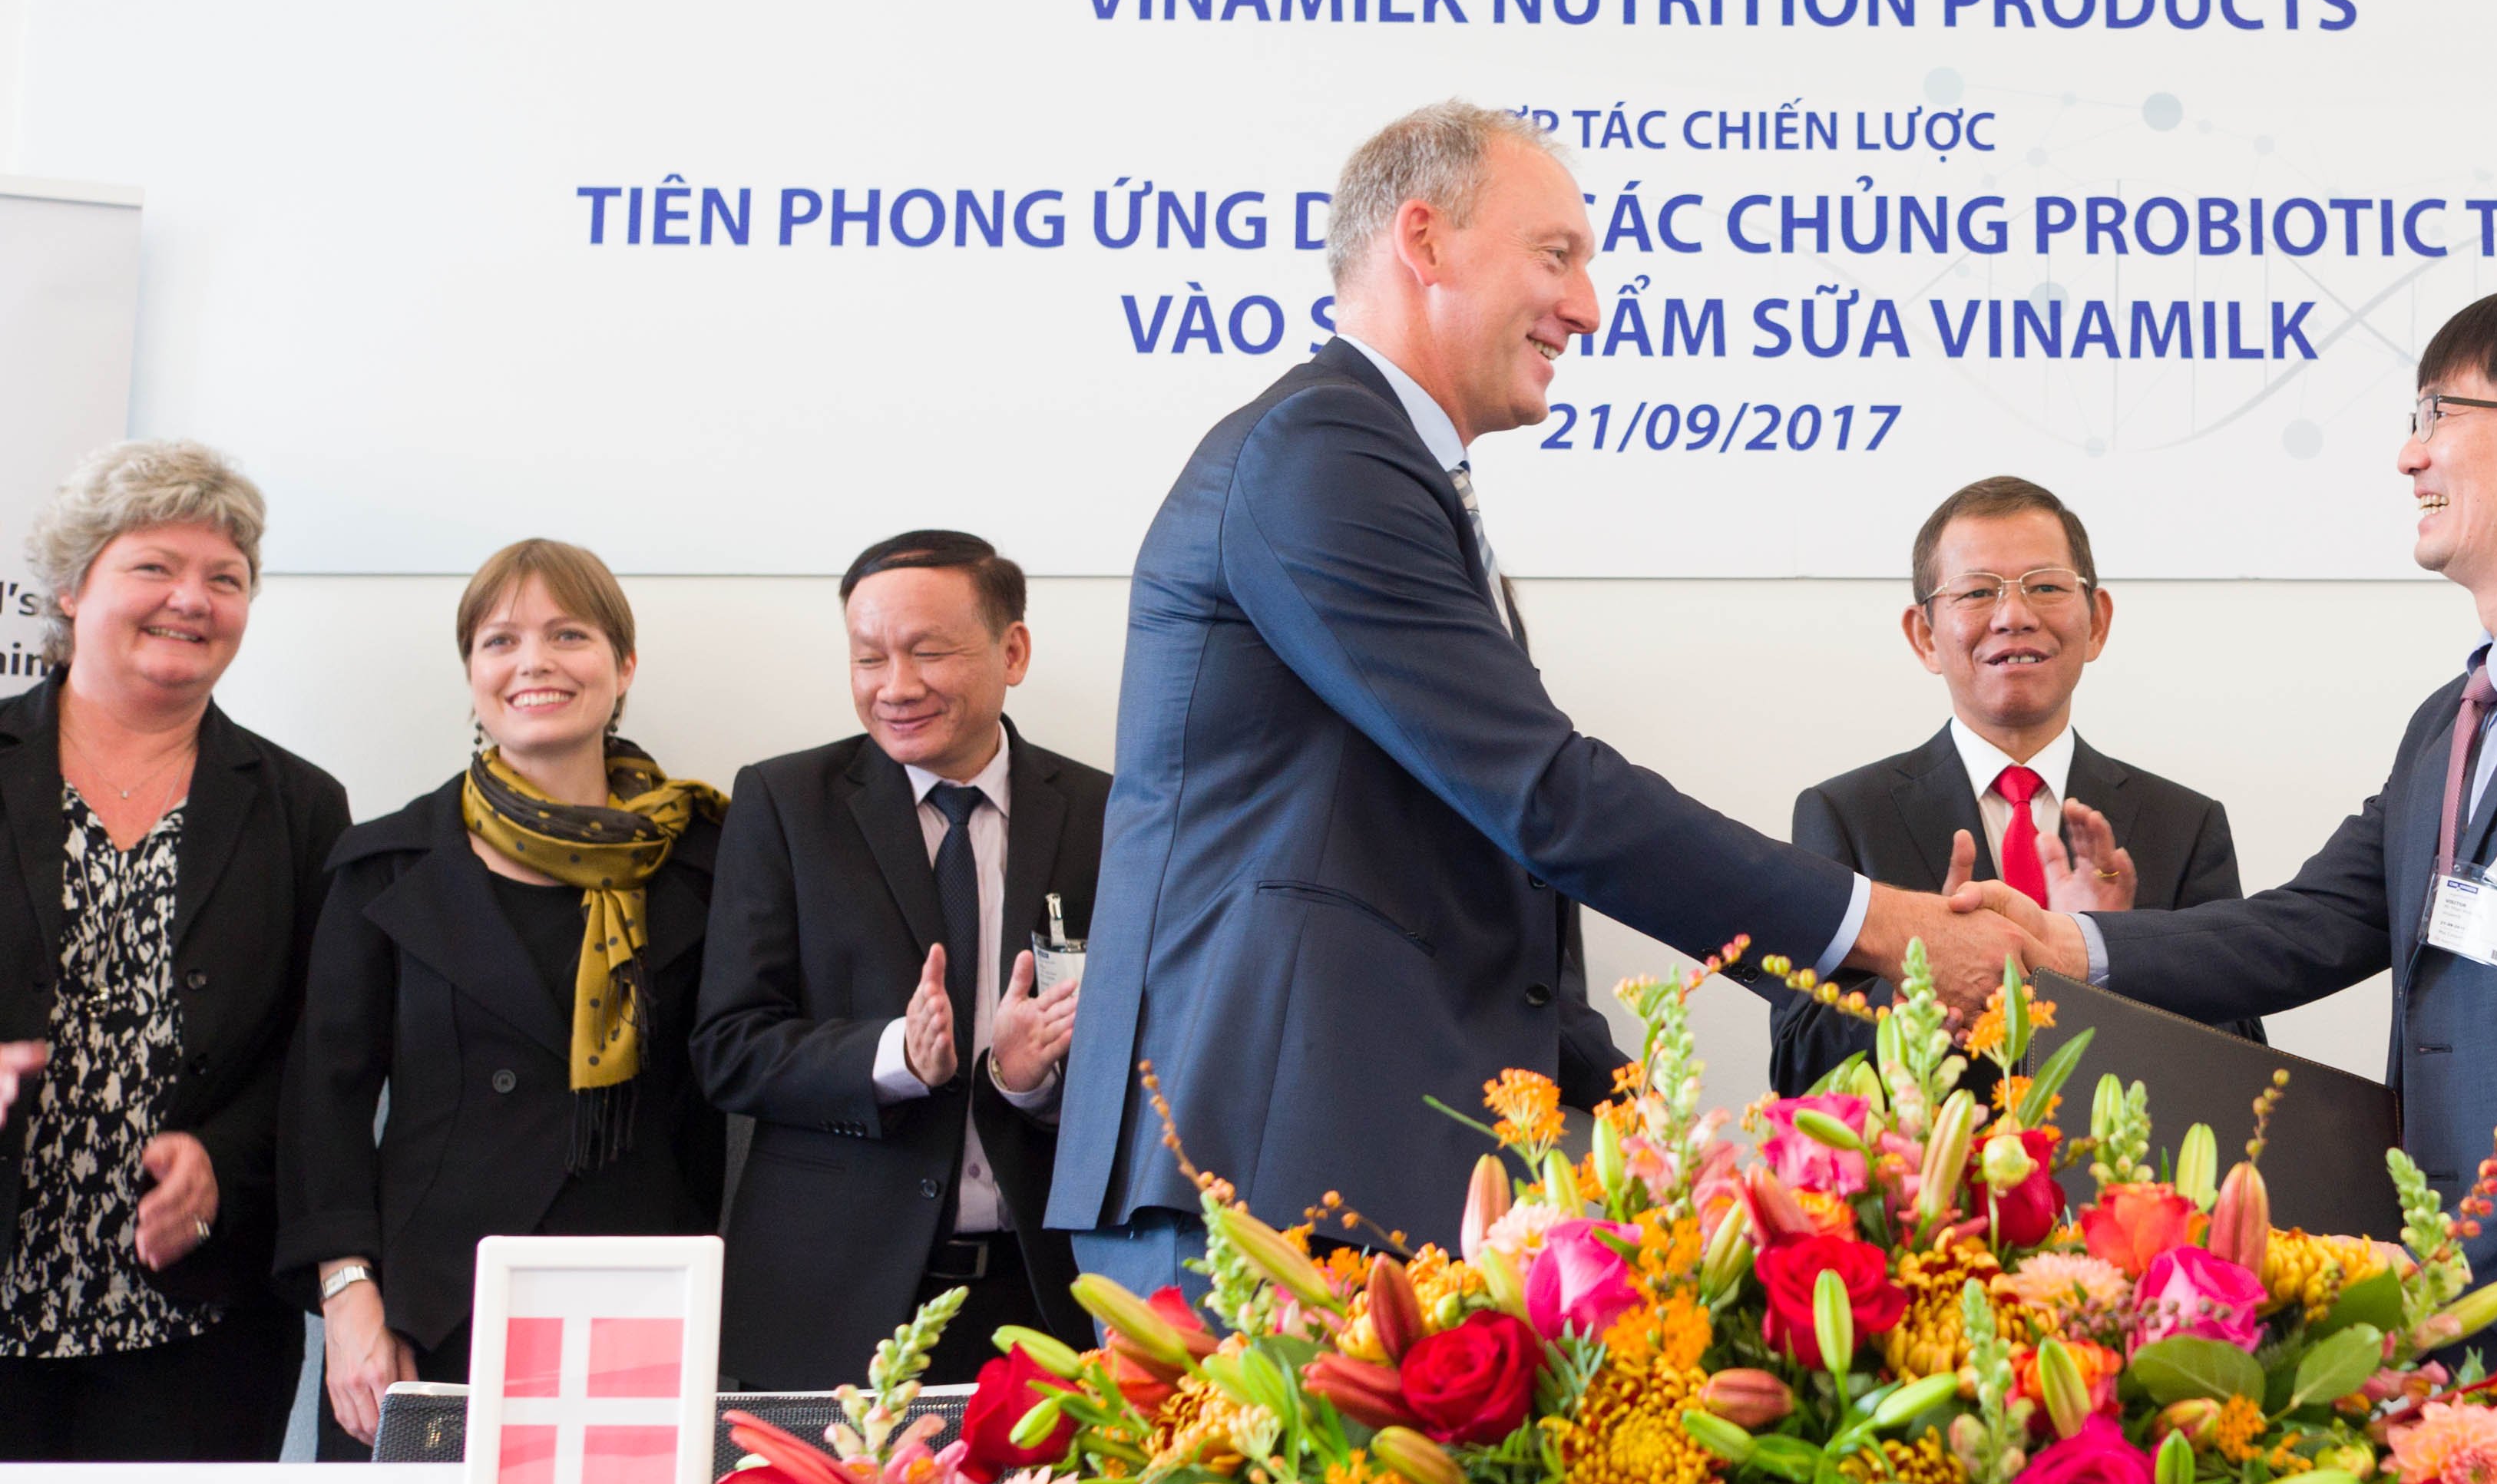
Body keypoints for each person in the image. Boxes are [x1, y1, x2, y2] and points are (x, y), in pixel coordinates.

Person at [1050, 101, 2030, 1297]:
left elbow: (1488, 869)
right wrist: (1884, 931)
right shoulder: (1322, 455)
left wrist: (1651, 1128)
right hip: (1251, 1171)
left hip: (1341, 1162)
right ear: (1425, 240)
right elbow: (1550, 799)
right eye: (1556, 255)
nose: (1589, 306)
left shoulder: (1386, 472)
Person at [1983, 285, 2497, 1439]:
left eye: (2438, 414)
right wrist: (2064, 945)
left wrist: (2448, 1275)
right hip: (2462, 1348)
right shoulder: (2449, 721)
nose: (2409, 454)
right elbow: (2309, 924)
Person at [283, 542, 724, 1453]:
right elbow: (323, 1103)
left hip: (642, 1308)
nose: (534, 662)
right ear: (472, 673)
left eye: (569, 634)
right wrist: (348, 1295)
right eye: (500, 640)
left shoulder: (710, 861)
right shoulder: (386, 864)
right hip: (428, 1315)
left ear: (623, 665)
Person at [696, 532, 1106, 1391]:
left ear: (1013, 651)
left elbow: (1158, 1057)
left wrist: (1029, 1082)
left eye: (927, 652)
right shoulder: (784, 805)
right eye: (869, 658)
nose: (895, 687)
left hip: (1044, 1299)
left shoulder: (1107, 813)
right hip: (833, 1302)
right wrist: (896, 1057)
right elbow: (729, 1047)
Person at [0, 443, 346, 1460]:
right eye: (154, 567)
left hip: (197, 1331)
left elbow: (318, 1054)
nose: (192, 599)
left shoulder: (301, 806)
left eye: (224, 578)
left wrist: (226, 1164)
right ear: (72, 588)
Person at [1769, 475, 2259, 1094]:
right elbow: (1797, 1064)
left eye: (2046, 586)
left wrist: (2108, 953)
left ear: (2097, 622)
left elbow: (2242, 1065)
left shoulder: (2183, 825)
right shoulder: (1845, 815)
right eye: (1977, 592)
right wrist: (1916, 995)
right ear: (1925, 636)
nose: (2014, 616)